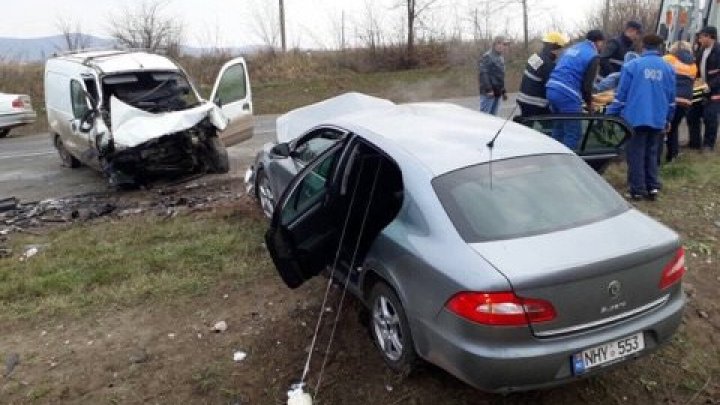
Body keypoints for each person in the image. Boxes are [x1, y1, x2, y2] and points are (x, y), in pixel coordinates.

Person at [606, 34, 676, 201]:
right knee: (652, 153)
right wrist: (668, 119)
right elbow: (671, 98)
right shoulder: (668, 68)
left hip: (635, 118)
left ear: (643, 46)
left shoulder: (632, 66)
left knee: (635, 153)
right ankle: (652, 187)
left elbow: (621, 96)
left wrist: (610, 114)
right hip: (658, 117)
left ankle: (637, 190)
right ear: (660, 47)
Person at [546, 30, 605, 149]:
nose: (602, 46)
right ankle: (568, 165)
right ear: (598, 42)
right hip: (567, 93)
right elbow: (587, 86)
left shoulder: (573, 48)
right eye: (602, 43)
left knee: (559, 129)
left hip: (551, 88)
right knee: (574, 133)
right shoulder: (592, 56)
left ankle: (552, 159)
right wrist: (589, 105)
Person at [517, 32, 570, 117]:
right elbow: (552, 86)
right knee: (550, 126)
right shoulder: (548, 63)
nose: (561, 51)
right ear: (554, 48)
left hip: (522, 98)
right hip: (535, 103)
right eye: (561, 48)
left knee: (527, 126)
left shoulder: (535, 57)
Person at [661, 41, 697, 163]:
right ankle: (672, 155)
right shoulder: (693, 65)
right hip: (686, 101)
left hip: (670, 99)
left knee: (662, 127)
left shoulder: (668, 59)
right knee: (674, 127)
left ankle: (655, 158)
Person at [687, 26, 720, 152]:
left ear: (709, 37)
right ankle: (695, 143)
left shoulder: (718, 51)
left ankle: (708, 145)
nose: (699, 40)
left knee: (710, 116)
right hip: (700, 86)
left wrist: (710, 86)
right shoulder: (701, 50)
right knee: (692, 114)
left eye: (702, 37)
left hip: (715, 90)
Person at [478, 36, 510, 115]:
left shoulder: (501, 58)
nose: (504, 47)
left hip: (497, 93)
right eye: (503, 44)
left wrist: (503, 91)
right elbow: (483, 74)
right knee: (484, 118)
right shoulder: (487, 56)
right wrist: (489, 89)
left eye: (505, 45)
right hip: (489, 94)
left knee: (493, 120)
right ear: (496, 44)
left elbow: (500, 77)